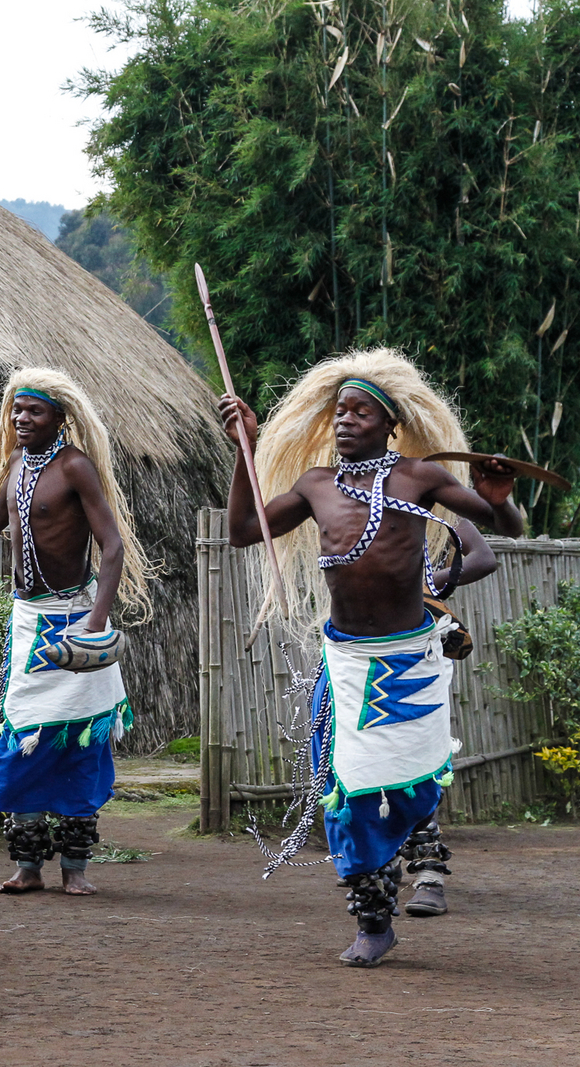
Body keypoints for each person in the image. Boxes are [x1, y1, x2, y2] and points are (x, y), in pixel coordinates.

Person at [220, 348, 522, 967]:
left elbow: (501, 529)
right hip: (350, 664)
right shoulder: (315, 486)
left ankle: (425, 871)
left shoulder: (421, 478)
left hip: (409, 661)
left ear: (392, 425)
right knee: (353, 793)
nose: (346, 420)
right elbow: (244, 532)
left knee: (410, 787)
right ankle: (373, 921)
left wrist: (499, 497)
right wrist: (242, 450)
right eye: (340, 411)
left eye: (361, 412)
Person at [0, 370, 156, 897]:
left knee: (80, 739)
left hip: (77, 616)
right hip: (29, 620)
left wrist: (97, 621)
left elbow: (112, 547)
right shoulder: (15, 464)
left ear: (60, 418)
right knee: (25, 738)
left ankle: (76, 868)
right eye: (16, 411)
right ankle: (28, 866)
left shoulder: (75, 467)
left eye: (34, 412)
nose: (21, 420)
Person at [401, 519, 496, 917]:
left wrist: (423, 582)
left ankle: (428, 872)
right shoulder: (358, 506)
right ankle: (376, 860)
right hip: (360, 644)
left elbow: (484, 558)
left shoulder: (442, 513)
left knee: (417, 750)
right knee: (360, 750)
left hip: (423, 644)